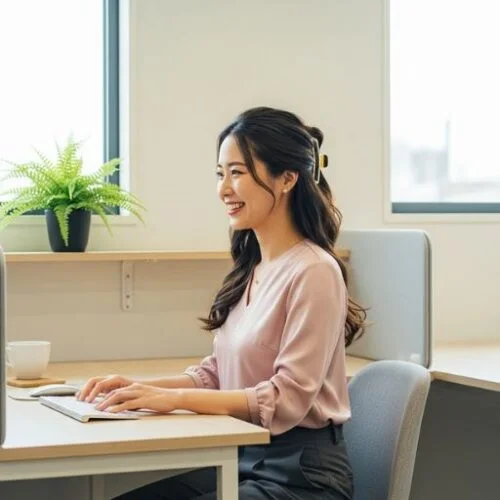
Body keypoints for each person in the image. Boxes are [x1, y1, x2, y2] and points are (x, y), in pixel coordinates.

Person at [77, 106, 367, 500]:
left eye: (237, 173)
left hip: (303, 478)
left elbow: (287, 400)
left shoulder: (314, 271)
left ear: (287, 178)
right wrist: (139, 388)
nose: (224, 189)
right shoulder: (255, 266)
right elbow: (218, 373)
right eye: (220, 174)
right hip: (246, 458)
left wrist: (172, 400)